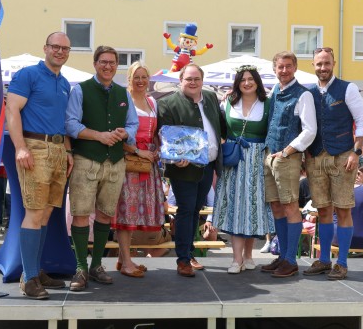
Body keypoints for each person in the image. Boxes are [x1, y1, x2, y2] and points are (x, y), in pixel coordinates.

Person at [6, 31, 74, 300]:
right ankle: (29, 278)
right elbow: (12, 110)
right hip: (35, 148)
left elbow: (64, 121)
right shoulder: (28, 75)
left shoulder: (65, 82)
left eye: (65, 49)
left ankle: (35, 270)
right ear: (45, 48)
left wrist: (67, 150)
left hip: (57, 149)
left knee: (45, 214)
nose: (60, 52)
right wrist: (20, 147)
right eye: (55, 47)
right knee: (34, 213)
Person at [66, 45, 138, 288]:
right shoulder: (80, 90)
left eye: (112, 62)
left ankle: (96, 265)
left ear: (117, 66)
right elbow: (71, 124)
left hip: (115, 162)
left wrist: (124, 133)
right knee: (81, 214)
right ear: (95, 64)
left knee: (106, 213)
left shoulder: (123, 93)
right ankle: (80, 268)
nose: (108, 66)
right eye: (103, 62)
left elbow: (133, 124)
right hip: (86, 159)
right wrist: (99, 135)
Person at [303, 46, 363, 281]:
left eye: (326, 63)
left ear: (333, 64)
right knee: (322, 209)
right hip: (316, 156)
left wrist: (356, 152)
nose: (323, 68)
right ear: (313, 65)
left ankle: (341, 263)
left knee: (342, 209)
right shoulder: (308, 92)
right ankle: (323, 260)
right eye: (319, 64)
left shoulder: (347, 88)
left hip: (343, 156)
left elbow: (362, 121)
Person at [157, 63, 226, 277]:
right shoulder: (168, 103)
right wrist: (175, 157)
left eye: (197, 79)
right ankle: (183, 259)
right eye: (189, 79)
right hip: (183, 168)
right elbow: (165, 136)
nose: (193, 82)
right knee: (186, 210)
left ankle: (189, 252)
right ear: (181, 80)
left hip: (208, 166)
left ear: (202, 81)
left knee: (196, 209)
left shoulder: (211, 98)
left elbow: (221, 125)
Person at [261, 51, 317, 278]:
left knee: (291, 206)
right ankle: (283, 255)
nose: (283, 70)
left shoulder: (303, 95)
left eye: (288, 66)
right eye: (280, 67)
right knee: (276, 206)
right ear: (275, 69)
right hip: (270, 155)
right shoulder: (275, 91)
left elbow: (310, 130)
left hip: (287, 156)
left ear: (294, 67)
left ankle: (291, 260)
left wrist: (287, 151)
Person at [213, 65, 274, 274]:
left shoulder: (267, 104)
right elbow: (219, 129)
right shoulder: (228, 102)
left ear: (257, 81)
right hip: (235, 160)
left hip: (258, 160)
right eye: (242, 79)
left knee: (252, 208)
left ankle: (248, 256)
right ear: (237, 83)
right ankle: (236, 259)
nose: (247, 83)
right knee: (237, 208)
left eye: (250, 79)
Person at [113, 61, 164, 278]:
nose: (141, 81)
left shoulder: (152, 102)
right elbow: (117, 134)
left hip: (149, 162)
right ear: (129, 80)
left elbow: (155, 133)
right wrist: (137, 151)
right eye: (137, 77)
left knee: (137, 211)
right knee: (127, 212)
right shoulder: (123, 101)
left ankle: (123, 259)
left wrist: (159, 148)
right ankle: (126, 263)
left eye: (144, 77)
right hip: (130, 162)